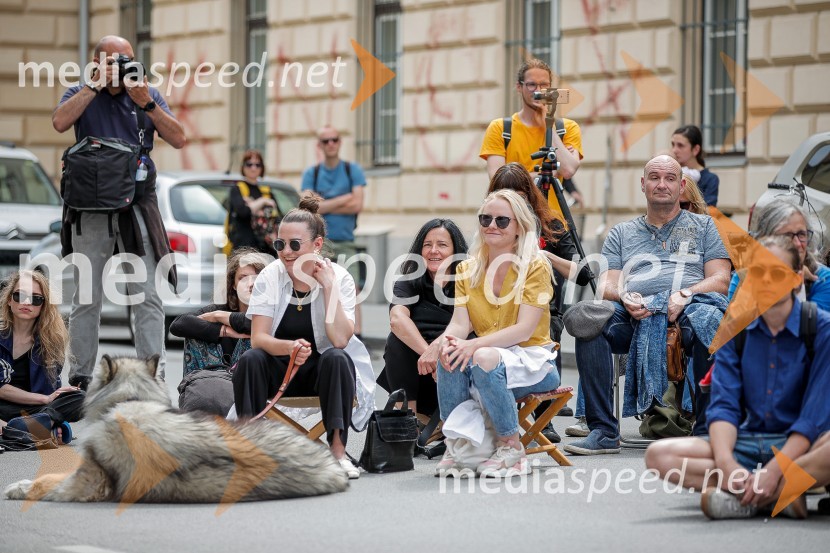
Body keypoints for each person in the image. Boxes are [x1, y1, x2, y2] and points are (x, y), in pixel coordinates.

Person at [644, 236, 830, 520]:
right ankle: (776, 495)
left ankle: (757, 493)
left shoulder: (820, 328)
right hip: (747, 440)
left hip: (802, 446)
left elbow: (814, 417)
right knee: (659, 456)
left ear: (795, 279)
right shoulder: (736, 329)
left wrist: (775, 469)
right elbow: (724, 406)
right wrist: (727, 463)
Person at [563, 155, 731, 455]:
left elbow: (720, 279)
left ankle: (706, 429)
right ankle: (602, 430)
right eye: (654, 177)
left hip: (687, 313)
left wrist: (686, 294)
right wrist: (624, 296)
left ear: (682, 186)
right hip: (634, 317)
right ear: (643, 184)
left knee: (710, 318)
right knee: (586, 318)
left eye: (669, 178)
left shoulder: (705, 226)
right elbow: (606, 284)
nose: (661, 184)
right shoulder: (621, 233)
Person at [52, 35, 186, 389]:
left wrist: (148, 105)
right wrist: (92, 87)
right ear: (97, 63)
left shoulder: (146, 94)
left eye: (128, 60)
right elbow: (60, 123)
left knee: (147, 295)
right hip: (91, 207)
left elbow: (179, 138)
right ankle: (79, 379)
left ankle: (150, 376)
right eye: (115, 61)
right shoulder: (81, 91)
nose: (123, 68)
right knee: (86, 297)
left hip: (137, 205)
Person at [231, 194, 375, 479]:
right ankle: (251, 453)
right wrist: (289, 347)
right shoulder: (271, 276)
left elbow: (340, 340)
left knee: (337, 358)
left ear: (317, 245)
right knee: (250, 359)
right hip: (279, 368)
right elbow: (259, 338)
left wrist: (329, 288)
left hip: (322, 373)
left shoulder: (339, 277)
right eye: (279, 244)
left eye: (295, 244)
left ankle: (337, 453)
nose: (286, 252)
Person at [435, 189, 561, 477]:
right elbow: (459, 324)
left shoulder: (535, 265)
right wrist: (447, 343)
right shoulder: (468, 268)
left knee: (482, 356)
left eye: (502, 221)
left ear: (519, 227)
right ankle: (459, 446)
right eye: (485, 218)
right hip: (489, 355)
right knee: (452, 354)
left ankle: (511, 448)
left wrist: (473, 346)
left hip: (534, 361)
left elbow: (524, 329)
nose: (492, 225)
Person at [486, 163, 594, 440]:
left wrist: (546, 257)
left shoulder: (551, 225)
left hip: (544, 311)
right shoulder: (492, 224)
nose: (510, 202)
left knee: (547, 330)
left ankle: (542, 419)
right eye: (502, 194)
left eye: (518, 195)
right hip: (496, 310)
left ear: (529, 195)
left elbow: (583, 275)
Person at [380, 219, 468, 417]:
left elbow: (472, 323)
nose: (433, 250)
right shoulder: (408, 282)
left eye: (442, 245)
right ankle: (407, 422)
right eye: (427, 245)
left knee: (464, 343)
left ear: (456, 250)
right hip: (421, 372)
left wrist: (440, 352)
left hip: (456, 369)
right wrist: (431, 357)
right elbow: (397, 319)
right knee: (396, 341)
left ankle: (456, 422)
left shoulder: (469, 281)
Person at [480, 58, 584, 209]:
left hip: (554, 223)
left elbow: (568, 170)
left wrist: (547, 123)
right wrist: (546, 174)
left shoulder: (567, 127)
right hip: (515, 219)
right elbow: (498, 181)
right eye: (531, 84)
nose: (538, 90)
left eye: (544, 85)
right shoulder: (500, 128)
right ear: (519, 87)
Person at [0, 270, 84, 441]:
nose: (26, 302)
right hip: (5, 405)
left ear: (43, 306)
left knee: (80, 399)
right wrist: (46, 399)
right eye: (19, 295)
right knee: (52, 413)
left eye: (36, 299)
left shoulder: (52, 341)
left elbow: (52, 390)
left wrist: (57, 397)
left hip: (35, 409)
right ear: (9, 300)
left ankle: (14, 428)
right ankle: (44, 427)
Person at [300, 126, 367, 336]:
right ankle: (319, 331)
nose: (330, 144)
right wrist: (344, 199)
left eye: (334, 140)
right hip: (320, 242)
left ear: (340, 142)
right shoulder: (313, 172)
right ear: (320, 145)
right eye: (326, 141)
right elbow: (308, 206)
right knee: (317, 286)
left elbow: (357, 204)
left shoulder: (351, 170)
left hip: (346, 240)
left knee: (353, 287)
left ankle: (357, 334)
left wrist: (324, 203)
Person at [169, 248, 271, 374]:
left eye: (257, 278)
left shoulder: (271, 310)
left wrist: (218, 317)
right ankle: (197, 388)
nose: (250, 284)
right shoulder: (221, 308)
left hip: (252, 382)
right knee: (194, 333)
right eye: (243, 278)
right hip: (216, 381)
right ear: (233, 284)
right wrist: (224, 331)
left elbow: (252, 323)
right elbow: (178, 324)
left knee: (253, 336)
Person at [733, 200, 830, 312]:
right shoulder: (744, 276)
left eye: (802, 234)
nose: (798, 244)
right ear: (766, 240)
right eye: (787, 236)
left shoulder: (823, 279)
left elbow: (809, 326)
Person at [226, 150, 280, 254]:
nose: (253, 168)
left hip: (266, 249)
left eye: (257, 164)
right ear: (243, 167)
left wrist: (252, 204)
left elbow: (278, 217)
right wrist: (263, 202)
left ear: (262, 168)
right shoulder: (237, 189)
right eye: (249, 164)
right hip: (244, 248)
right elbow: (243, 212)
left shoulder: (267, 191)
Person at [671, 125, 719, 207]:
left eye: (680, 145)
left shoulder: (710, 179)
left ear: (696, 150)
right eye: (673, 145)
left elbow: (707, 210)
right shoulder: (670, 174)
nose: (674, 150)